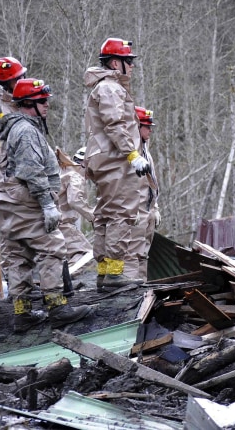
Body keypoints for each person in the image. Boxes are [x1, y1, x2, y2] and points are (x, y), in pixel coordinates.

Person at [0, 78, 92, 333]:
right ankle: (57, 306)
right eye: (42, 101)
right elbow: (33, 172)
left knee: (18, 255)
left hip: (10, 198)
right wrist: (48, 204)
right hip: (26, 197)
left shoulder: (18, 128)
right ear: (28, 104)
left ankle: (22, 312)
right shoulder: (26, 132)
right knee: (52, 247)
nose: (47, 105)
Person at [83, 38, 150, 290]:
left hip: (105, 158)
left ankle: (105, 272)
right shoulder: (110, 88)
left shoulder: (106, 87)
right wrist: (132, 155)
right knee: (121, 213)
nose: (131, 66)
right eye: (128, 61)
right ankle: (114, 274)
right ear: (115, 63)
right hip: (115, 158)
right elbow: (115, 124)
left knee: (105, 214)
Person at [0, 57, 28, 274]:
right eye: (17, 79)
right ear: (6, 84)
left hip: (28, 183)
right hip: (10, 185)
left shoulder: (25, 106)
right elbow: (9, 150)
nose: (22, 81)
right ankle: (17, 294)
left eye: (23, 76)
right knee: (13, 244)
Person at [126, 106, 160, 282]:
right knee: (133, 253)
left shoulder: (145, 150)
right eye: (146, 126)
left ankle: (142, 292)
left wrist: (155, 208)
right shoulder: (130, 152)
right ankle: (132, 293)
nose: (150, 130)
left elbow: (151, 181)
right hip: (136, 210)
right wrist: (132, 209)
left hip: (147, 210)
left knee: (143, 254)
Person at [55, 147, 94, 270]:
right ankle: (64, 283)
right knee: (85, 254)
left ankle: (56, 283)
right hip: (62, 225)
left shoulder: (62, 173)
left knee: (56, 259)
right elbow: (75, 200)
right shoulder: (75, 176)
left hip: (50, 225)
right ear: (85, 164)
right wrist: (93, 216)